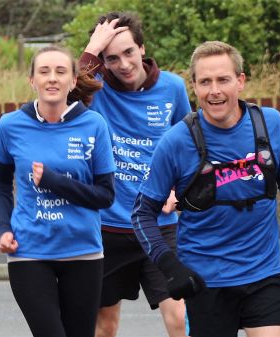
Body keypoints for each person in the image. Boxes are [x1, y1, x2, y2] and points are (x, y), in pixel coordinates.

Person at [131, 40, 280, 337]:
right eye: (205, 82)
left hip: (264, 274)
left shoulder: (270, 124)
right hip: (206, 280)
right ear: (194, 87)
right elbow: (142, 214)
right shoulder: (175, 142)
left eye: (223, 79)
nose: (215, 91)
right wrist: (169, 264)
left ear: (240, 81)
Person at [0, 45, 116, 337]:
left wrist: (54, 181)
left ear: (73, 81)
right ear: (32, 80)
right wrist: (5, 228)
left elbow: (105, 196)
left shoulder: (94, 125)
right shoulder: (11, 126)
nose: (52, 78)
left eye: (60, 71)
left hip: (83, 251)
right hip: (30, 252)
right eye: (44, 72)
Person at [79, 11, 192, 337]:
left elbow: (189, 147)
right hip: (107, 228)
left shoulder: (173, 87)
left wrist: (178, 189)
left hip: (160, 225)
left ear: (142, 48)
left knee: (180, 316)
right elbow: (66, 94)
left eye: (129, 52)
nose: (124, 64)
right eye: (111, 57)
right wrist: (92, 48)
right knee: (105, 325)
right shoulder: (95, 89)